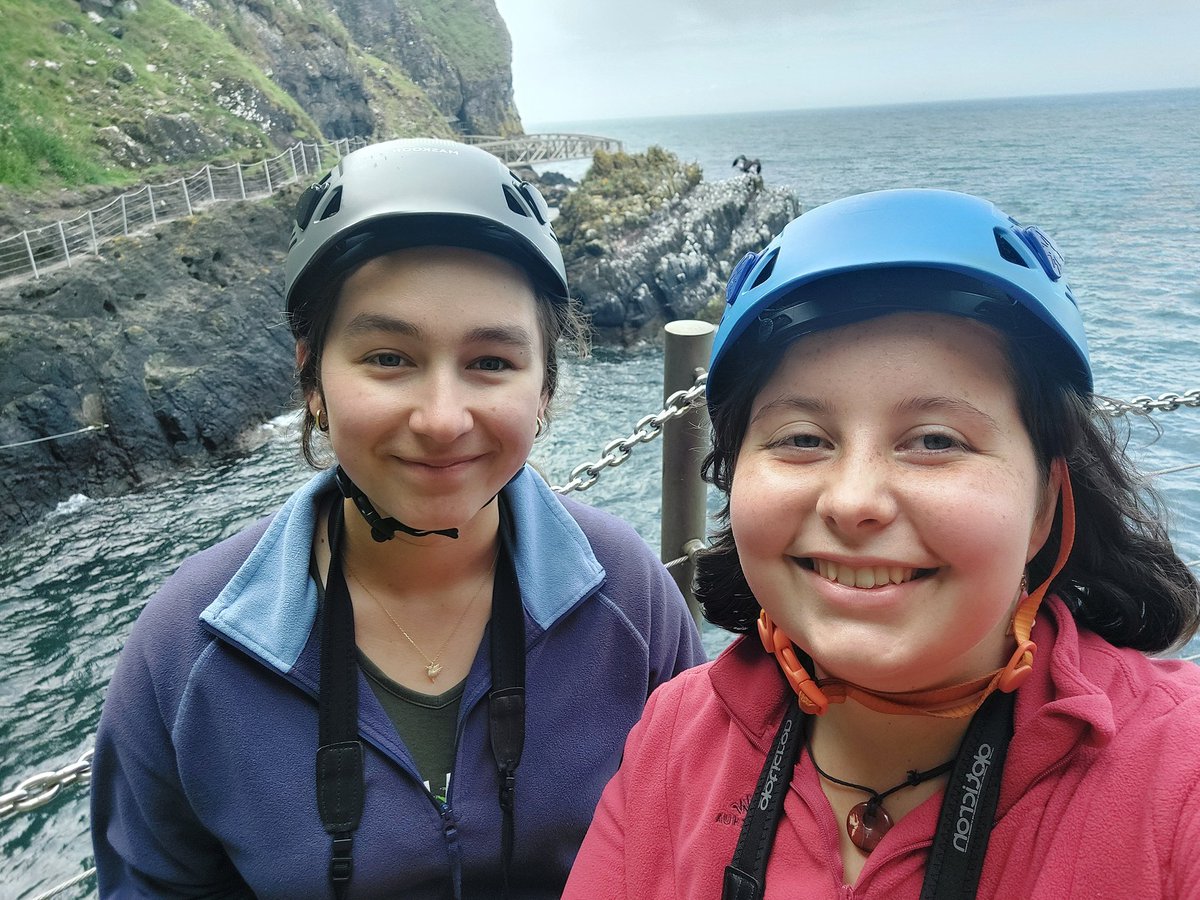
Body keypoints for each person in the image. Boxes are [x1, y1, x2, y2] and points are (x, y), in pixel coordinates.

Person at [90, 138, 706, 899]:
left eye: (491, 362)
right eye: (388, 358)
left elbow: (695, 837)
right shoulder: (189, 651)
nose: (442, 420)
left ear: (544, 388)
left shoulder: (627, 600)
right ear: (311, 376)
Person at [564, 189, 1200, 898]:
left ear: (1046, 503)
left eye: (935, 441)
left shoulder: (1179, 775)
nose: (854, 501)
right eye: (802, 439)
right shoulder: (675, 738)